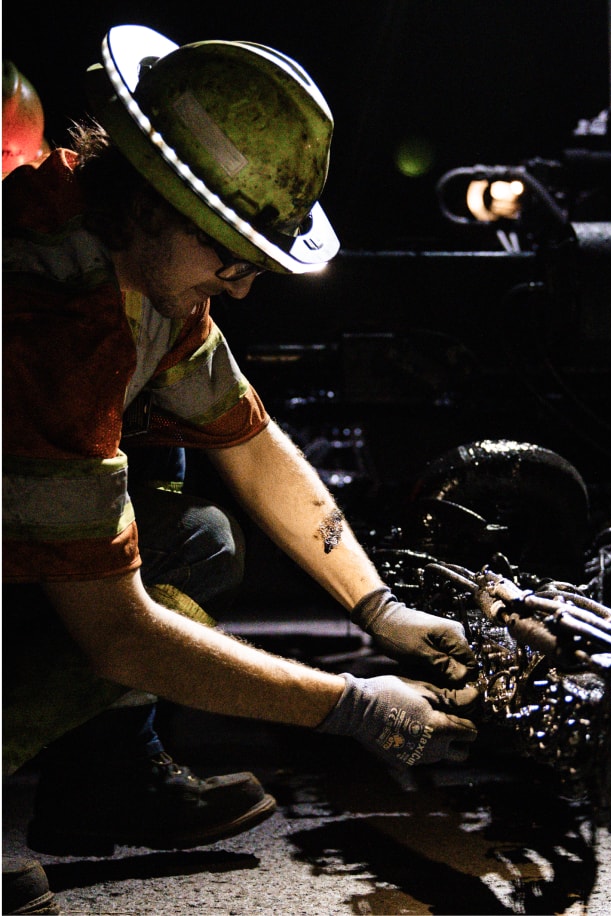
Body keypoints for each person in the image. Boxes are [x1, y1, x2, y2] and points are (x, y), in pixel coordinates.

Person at [3, 24, 479, 911]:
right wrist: (353, 706)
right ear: (150, 196)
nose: (244, 282)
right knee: (158, 604)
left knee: (196, 537)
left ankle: (100, 778)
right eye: (228, 250)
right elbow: (120, 634)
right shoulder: (51, 315)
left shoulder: (134, 263)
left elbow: (253, 447)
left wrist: (381, 607)